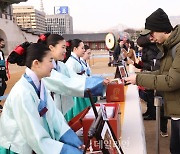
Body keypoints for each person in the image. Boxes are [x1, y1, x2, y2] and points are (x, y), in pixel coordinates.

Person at [0, 42, 84, 153]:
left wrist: (71, 138)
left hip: (33, 145)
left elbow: (54, 115)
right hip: (19, 148)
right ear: (36, 63)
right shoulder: (22, 93)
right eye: (50, 61)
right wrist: (64, 150)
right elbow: (33, 134)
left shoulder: (40, 84)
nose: (53, 66)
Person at [125, 8, 180, 153]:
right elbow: (162, 72)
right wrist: (139, 76)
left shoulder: (178, 47)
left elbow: (171, 81)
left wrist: (139, 78)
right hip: (176, 112)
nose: (151, 38)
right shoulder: (171, 46)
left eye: (152, 33)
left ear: (162, 30)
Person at [38, 34, 109, 121]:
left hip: (62, 105)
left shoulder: (60, 65)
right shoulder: (46, 69)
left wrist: (99, 81)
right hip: (53, 108)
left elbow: (75, 77)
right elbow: (66, 83)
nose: (65, 51)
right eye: (63, 47)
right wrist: (97, 83)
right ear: (52, 48)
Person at [65, 39, 104, 120]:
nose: (84, 50)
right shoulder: (71, 62)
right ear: (75, 49)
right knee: (79, 115)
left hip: (82, 88)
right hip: (77, 92)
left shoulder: (76, 60)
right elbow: (72, 80)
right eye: (82, 48)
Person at [0, 38, 8, 109]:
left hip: (2, 72)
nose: (3, 44)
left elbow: (2, 64)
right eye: (2, 42)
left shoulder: (1, 52)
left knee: (3, 86)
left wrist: (4, 74)